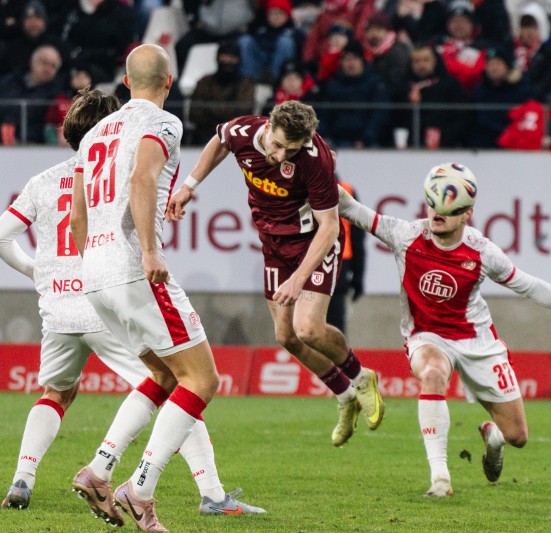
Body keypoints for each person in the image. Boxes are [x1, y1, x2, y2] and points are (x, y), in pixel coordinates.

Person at [0, 88, 264, 519]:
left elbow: (4, 235)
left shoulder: (42, 181)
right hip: (112, 290)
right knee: (184, 382)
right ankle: (208, 492)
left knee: (56, 393)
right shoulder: (122, 167)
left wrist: (37, 273)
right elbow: (133, 197)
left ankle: (24, 478)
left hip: (63, 303)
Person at [336, 163, 551, 496]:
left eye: (448, 211)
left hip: (477, 341)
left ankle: (493, 437)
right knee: (432, 373)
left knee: (517, 437)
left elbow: (528, 285)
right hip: (427, 336)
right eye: (433, 208)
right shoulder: (406, 234)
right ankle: (440, 478)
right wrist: (313, 161)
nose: (437, 215)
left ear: (467, 214)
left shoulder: (482, 252)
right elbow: (350, 207)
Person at [166, 100, 385, 448]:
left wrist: (299, 277)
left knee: (308, 328)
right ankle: (344, 394)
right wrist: (190, 184)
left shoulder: (315, 158)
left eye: (291, 150)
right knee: (286, 337)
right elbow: (219, 141)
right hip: (273, 244)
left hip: (313, 243)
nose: (282, 156)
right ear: (267, 126)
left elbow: (329, 227)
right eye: (279, 145)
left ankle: (361, 376)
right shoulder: (243, 131)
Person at [68, 44, 221, 531]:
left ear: (127, 82)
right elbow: (141, 178)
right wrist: (150, 250)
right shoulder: (164, 122)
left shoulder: (92, 132)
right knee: (201, 380)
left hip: (94, 268)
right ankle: (140, 488)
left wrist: (94, 263)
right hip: (134, 265)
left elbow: (77, 215)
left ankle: (98, 470)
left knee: (162, 376)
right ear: (169, 82)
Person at [189, 40, 255, 143]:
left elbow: (243, 114)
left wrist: (210, 110)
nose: (228, 61)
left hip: (234, 134)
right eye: (225, 56)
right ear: (217, 58)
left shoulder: (245, 84)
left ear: (238, 60)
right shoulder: (204, 82)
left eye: (232, 58)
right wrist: (226, 113)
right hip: (205, 134)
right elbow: (194, 113)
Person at [0, 44, 64, 144]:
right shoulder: (8, 82)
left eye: (53, 66)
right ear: (31, 62)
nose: (48, 69)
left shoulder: (56, 95)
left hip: (32, 147)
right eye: (44, 62)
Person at [326, 178, 365, 334]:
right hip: (339, 264)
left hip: (323, 265)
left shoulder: (302, 185)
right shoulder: (346, 190)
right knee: (335, 326)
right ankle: (339, 358)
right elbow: (357, 237)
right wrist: (358, 278)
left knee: (309, 325)